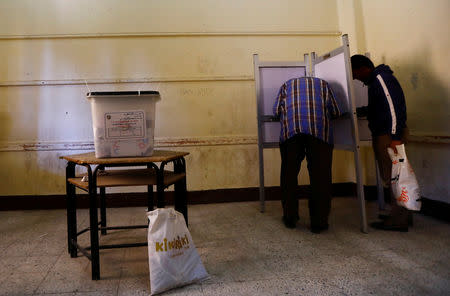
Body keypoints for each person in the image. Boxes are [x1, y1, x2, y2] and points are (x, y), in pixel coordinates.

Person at [273, 77, 342, 233]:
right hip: (319, 133)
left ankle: (290, 218)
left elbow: (276, 111)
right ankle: (319, 223)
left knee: (288, 175)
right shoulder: (324, 85)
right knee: (320, 177)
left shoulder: (286, 85)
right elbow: (336, 111)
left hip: (291, 133)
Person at [351, 54, 410, 232]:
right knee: (395, 175)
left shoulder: (380, 79)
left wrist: (395, 137)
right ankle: (402, 215)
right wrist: (357, 111)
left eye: (355, 73)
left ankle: (398, 220)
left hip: (388, 135)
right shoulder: (378, 80)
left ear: (363, 68)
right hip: (386, 134)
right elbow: (381, 107)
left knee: (395, 177)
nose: (355, 78)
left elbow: (393, 109)